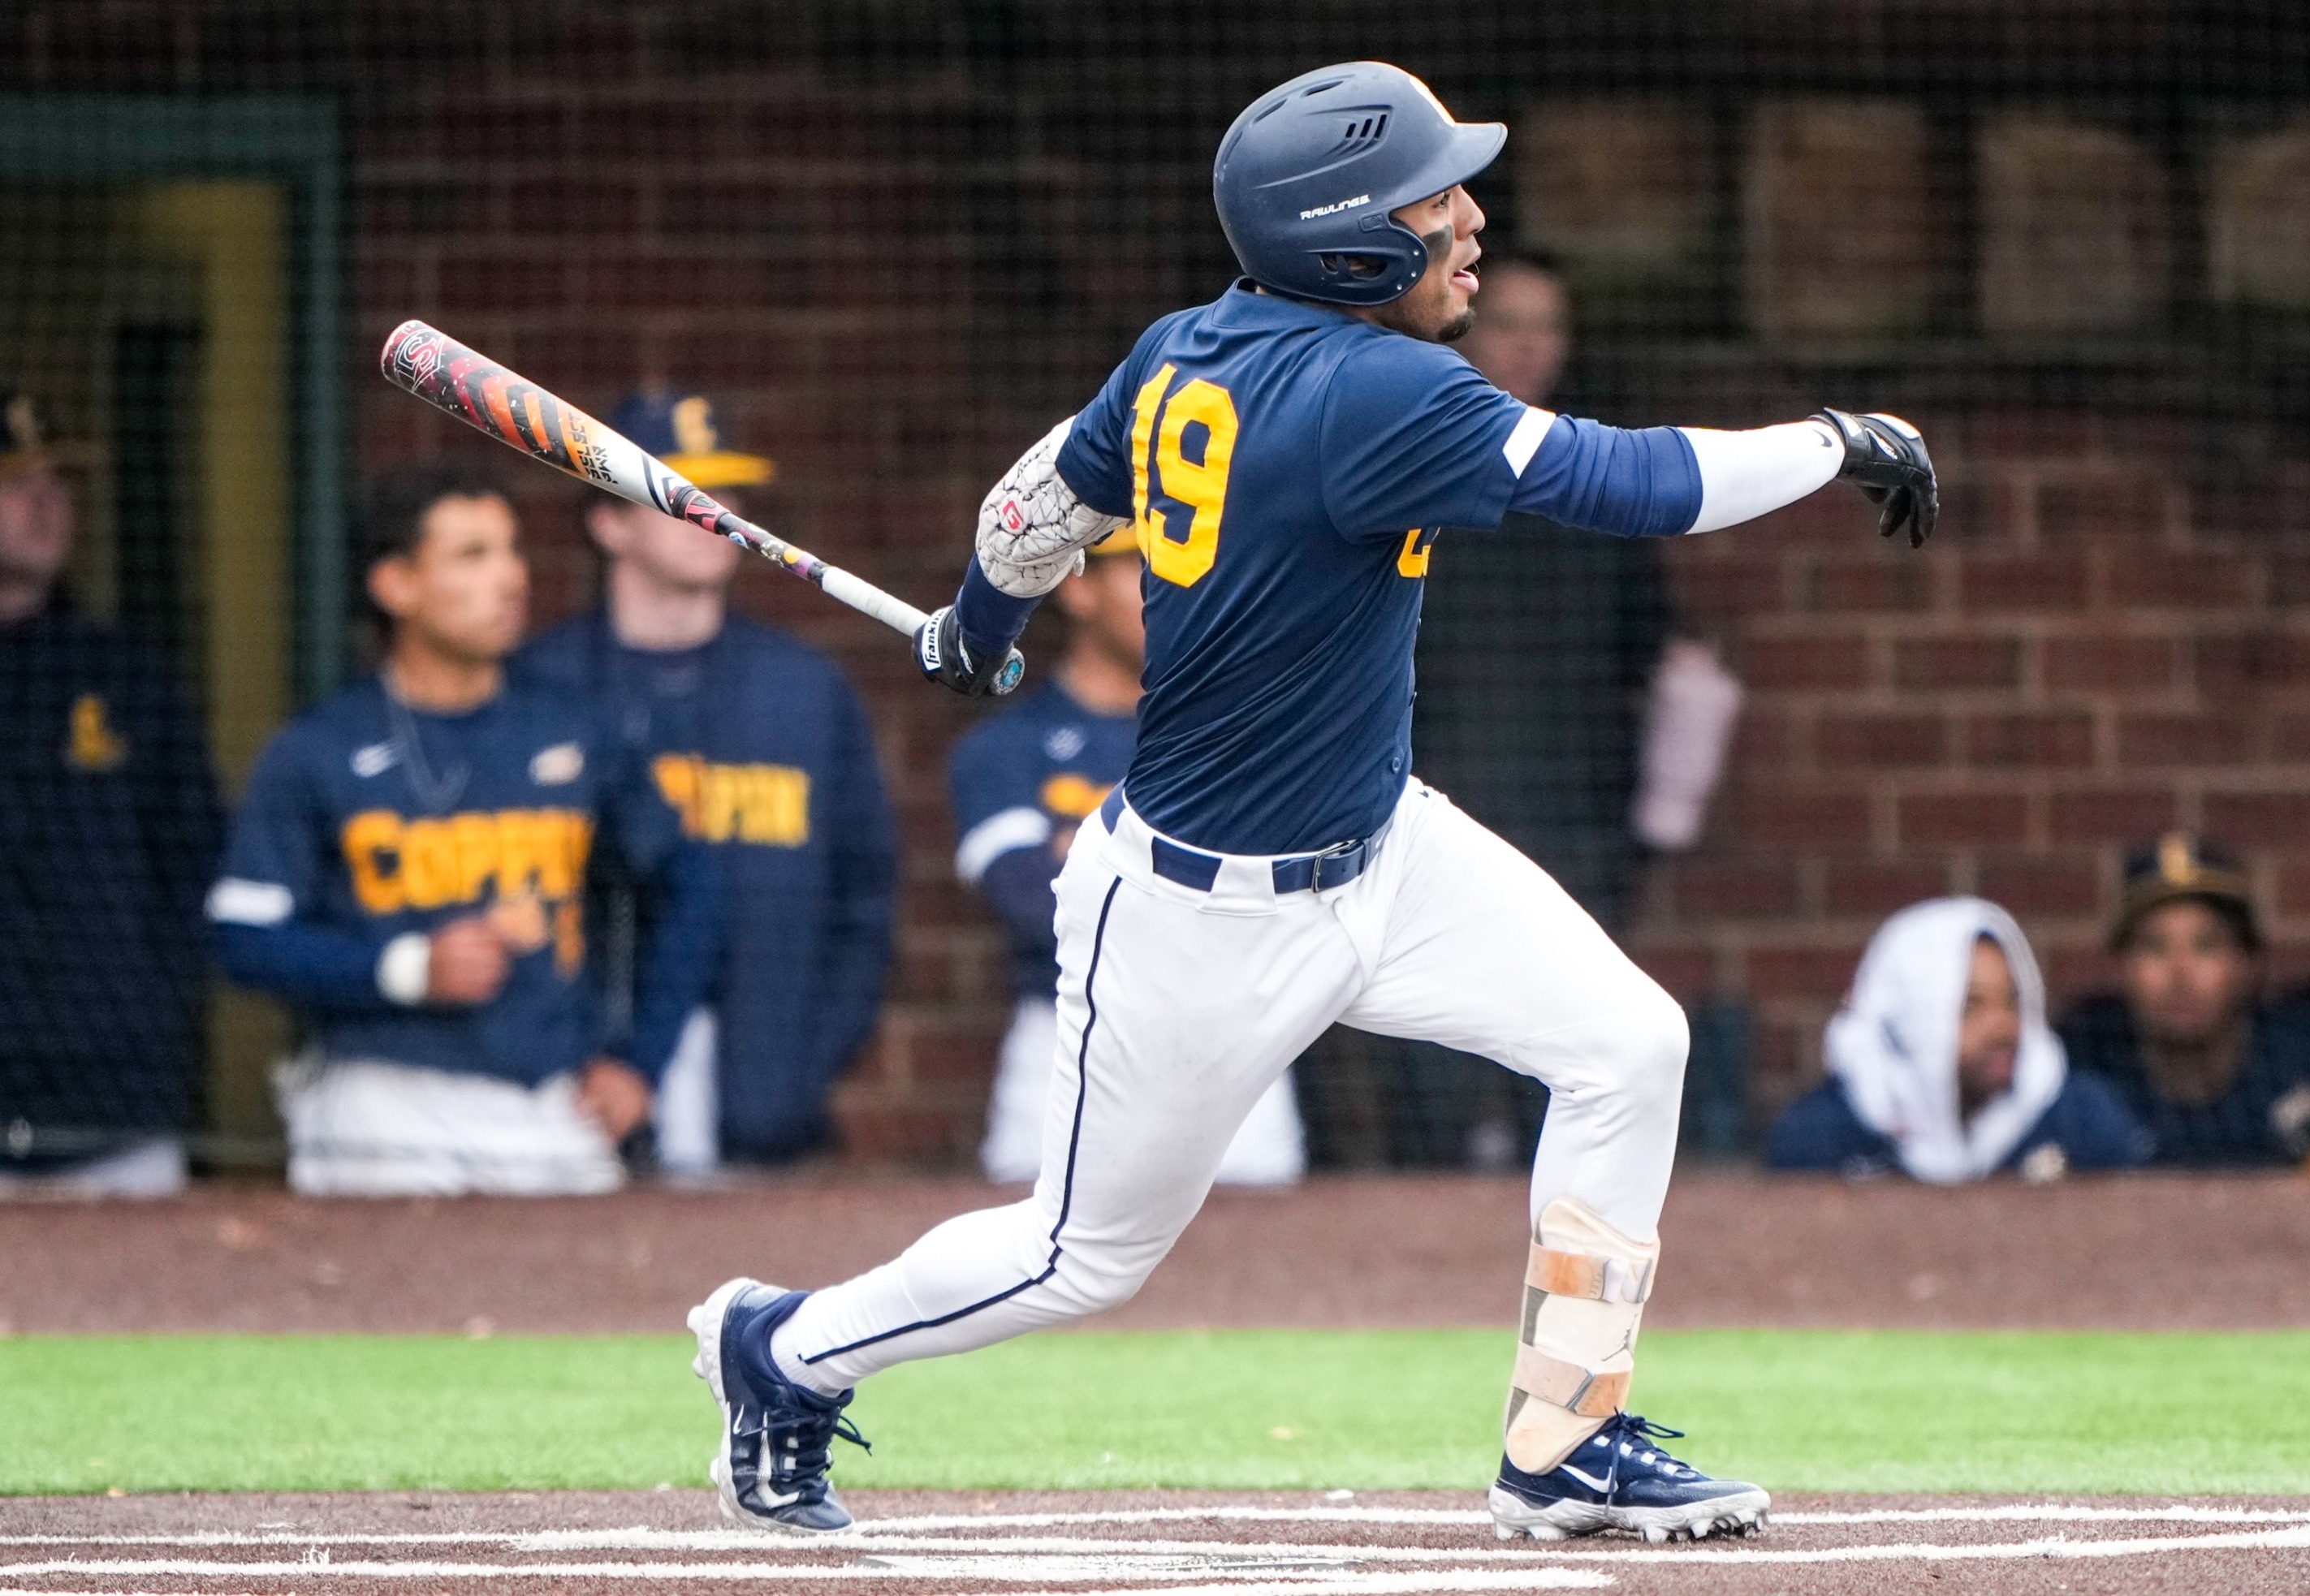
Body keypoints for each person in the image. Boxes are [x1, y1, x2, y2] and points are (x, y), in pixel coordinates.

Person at [686, 59, 1936, 1543]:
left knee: (1626, 1042)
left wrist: (978, 623)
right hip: (1200, 919)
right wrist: (1836, 440)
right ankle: (782, 1352)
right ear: (1346, 240)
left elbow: (1036, 506)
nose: (1469, 221)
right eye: (1435, 200)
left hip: (1382, 846)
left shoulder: (1181, 349)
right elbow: (1628, 482)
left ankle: (1566, 1439)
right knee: (1080, 1260)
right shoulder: (1376, 387)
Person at [208, 462, 719, 1196]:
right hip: (380, 1097)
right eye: (473, 556)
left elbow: (692, 886)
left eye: (511, 551)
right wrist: (402, 970)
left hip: (550, 1097)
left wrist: (641, 1061)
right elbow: (240, 936)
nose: (511, 578)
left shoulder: (573, 727)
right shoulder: (318, 748)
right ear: (396, 585)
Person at [520, 391, 896, 1175]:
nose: (714, 513)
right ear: (608, 522)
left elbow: (864, 899)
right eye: (679, 495)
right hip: (572, 1104)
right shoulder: (542, 687)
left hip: (766, 1104)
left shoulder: (803, 689)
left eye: (726, 494)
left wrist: (803, 1065)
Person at [1398, 256, 1670, 1169]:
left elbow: (1660, 660)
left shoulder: (1601, 481)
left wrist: (1655, 818)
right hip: (1424, 814)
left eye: (1546, 325)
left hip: (1574, 821)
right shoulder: (1407, 463)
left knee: (1568, 1070)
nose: (1524, 342)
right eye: (1505, 318)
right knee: (1426, 1077)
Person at [954, 522, 1304, 1185]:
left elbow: (1288, 901)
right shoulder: (1004, 749)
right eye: (1145, 569)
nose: (1178, 591)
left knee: (1264, 1275)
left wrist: (1091, 855)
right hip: (1070, 1042)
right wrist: (1202, 868)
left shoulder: (1246, 739)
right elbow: (1033, 903)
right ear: (1078, 587)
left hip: (1234, 1045)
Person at [0, 388, 220, 1197]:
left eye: (58, 482)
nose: (47, 504)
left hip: (114, 1106)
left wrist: (145, 1007)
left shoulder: (121, 674)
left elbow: (194, 859)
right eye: (18, 483)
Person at [2059, 835, 2310, 1167]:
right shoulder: (2082, 1071)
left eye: (2206, 946)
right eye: (2154, 947)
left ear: (2247, 963)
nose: (2180, 972)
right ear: (2121, 967)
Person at [1763, 899, 2147, 1181]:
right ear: (1909, 1020)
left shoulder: (2080, 1120)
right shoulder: (1821, 1138)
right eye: (1970, 1007)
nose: (2003, 1028)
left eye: (2011, 1002)